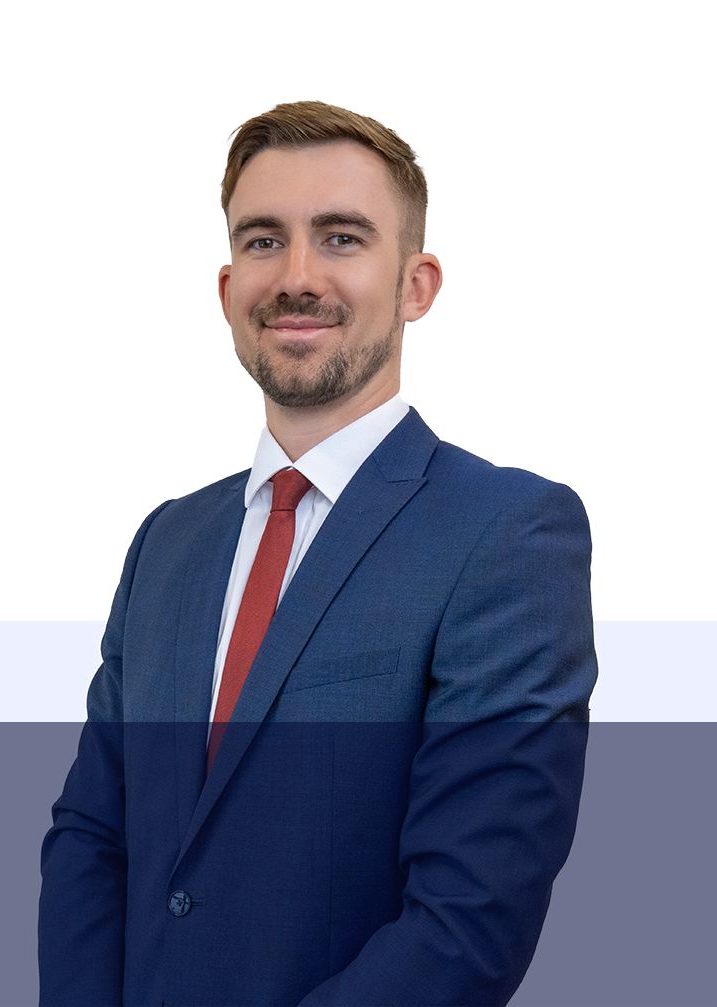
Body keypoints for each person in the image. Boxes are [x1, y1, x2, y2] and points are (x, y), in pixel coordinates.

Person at [38, 100, 598, 1007]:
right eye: (263, 241)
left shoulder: (507, 534)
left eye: (341, 238)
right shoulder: (166, 544)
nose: (296, 276)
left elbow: (470, 917)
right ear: (227, 289)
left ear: (417, 284)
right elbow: (92, 837)